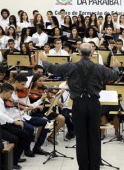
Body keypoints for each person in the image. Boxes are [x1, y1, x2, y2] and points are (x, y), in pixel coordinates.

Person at [40, 42, 119, 170]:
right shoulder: (99, 67)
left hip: (78, 104)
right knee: (94, 137)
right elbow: (114, 76)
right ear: (92, 53)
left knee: (81, 138)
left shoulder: (71, 66)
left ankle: (83, 167)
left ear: (79, 53)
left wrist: (44, 61)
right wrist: (115, 66)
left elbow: (53, 69)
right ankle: (94, 167)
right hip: (93, 104)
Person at [0, 82, 30, 169]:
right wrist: (14, 122)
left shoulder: (2, 102)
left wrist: (21, 113)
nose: (11, 96)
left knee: (25, 134)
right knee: (14, 139)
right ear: (4, 92)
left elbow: (7, 115)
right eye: (10, 93)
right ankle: (12, 162)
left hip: (5, 125)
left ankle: (15, 158)